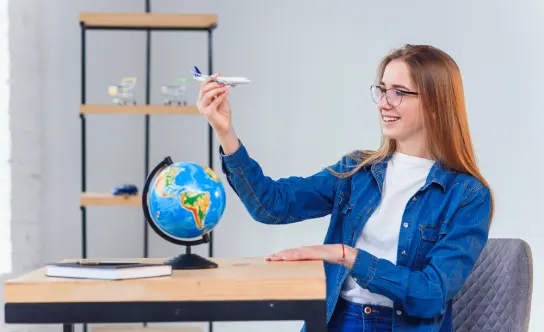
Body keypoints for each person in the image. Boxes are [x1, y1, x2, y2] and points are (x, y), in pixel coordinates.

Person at [196, 44, 494, 332]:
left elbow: (430, 295)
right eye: (382, 89)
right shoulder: (357, 171)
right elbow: (271, 206)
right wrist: (226, 132)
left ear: (435, 104)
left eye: (399, 93)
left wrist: (346, 255)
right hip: (337, 320)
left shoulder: (468, 195)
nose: (383, 103)